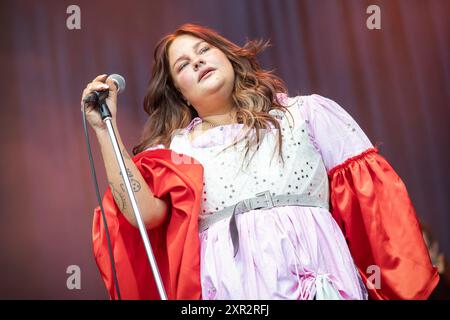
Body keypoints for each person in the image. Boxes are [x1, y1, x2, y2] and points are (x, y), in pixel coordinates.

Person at [82, 24, 439, 300]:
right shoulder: (177, 151)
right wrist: (103, 130)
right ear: (180, 92)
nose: (199, 61)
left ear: (227, 57)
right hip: (231, 288)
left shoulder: (305, 114)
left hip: (318, 276)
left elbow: (373, 204)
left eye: (204, 50)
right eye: (184, 65)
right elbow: (144, 217)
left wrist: (396, 279)